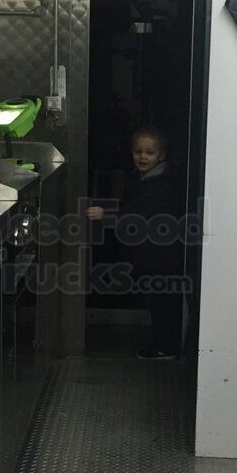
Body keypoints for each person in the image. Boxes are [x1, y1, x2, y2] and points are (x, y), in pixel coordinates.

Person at [86, 126, 185, 360]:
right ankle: (164, 344)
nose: (143, 157)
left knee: (162, 303)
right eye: (138, 151)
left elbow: (136, 216)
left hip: (161, 257)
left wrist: (105, 215)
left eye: (149, 153)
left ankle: (165, 347)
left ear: (161, 155)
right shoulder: (152, 179)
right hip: (158, 255)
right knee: (160, 301)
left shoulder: (160, 185)